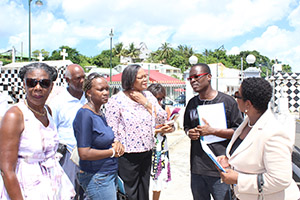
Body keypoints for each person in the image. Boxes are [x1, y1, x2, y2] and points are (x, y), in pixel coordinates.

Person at [0, 62, 75, 199]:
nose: (38, 88)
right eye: (32, 82)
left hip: (52, 187)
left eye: (44, 83)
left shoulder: (48, 111)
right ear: (24, 85)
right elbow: (7, 170)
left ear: (51, 87)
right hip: (26, 190)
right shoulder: (15, 115)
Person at [218, 77, 300, 200]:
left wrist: (238, 179)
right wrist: (229, 162)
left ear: (248, 104)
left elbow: (280, 179)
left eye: (237, 95)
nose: (235, 98)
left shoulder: (274, 133)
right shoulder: (248, 123)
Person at [105, 64, 167, 200]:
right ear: (130, 79)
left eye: (146, 76)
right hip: (127, 154)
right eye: (141, 77)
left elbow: (162, 117)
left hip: (146, 150)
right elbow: (111, 128)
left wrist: (146, 103)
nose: (146, 80)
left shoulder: (149, 96)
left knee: (144, 190)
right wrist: (115, 143)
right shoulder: (116, 100)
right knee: (129, 193)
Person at [183, 63, 243, 200]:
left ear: (209, 77)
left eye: (197, 77)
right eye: (190, 78)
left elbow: (239, 132)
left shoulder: (228, 102)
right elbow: (186, 127)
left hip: (221, 168)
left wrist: (213, 131)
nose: (193, 81)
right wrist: (189, 133)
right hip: (197, 168)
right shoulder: (192, 103)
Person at [73, 73, 125, 200]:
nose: (106, 92)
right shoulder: (85, 115)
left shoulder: (100, 113)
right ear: (89, 92)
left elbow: (102, 139)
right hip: (97, 176)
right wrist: (112, 152)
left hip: (108, 173)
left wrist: (116, 143)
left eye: (107, 89)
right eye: (100, 89)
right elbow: (84, 153)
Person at [49, 64, 86, 196]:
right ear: (67, 80)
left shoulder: (89, 99)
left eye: (83, 77)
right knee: (68, 193)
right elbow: (51, 130)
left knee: (87, 193)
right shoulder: (57, 103)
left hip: (89, 154)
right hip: (68, 155)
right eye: (77, 78)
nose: (82, 81)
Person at [147, 83, 174, 200]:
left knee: (158, 179)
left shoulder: (164, 108)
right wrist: (158, 130)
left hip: (161, 147)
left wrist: (169, 128)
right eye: (156, 99)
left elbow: (171, 126)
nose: (159, 102)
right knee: (146, 179)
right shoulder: (143, 109)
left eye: (161, 99)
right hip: (148, 146)